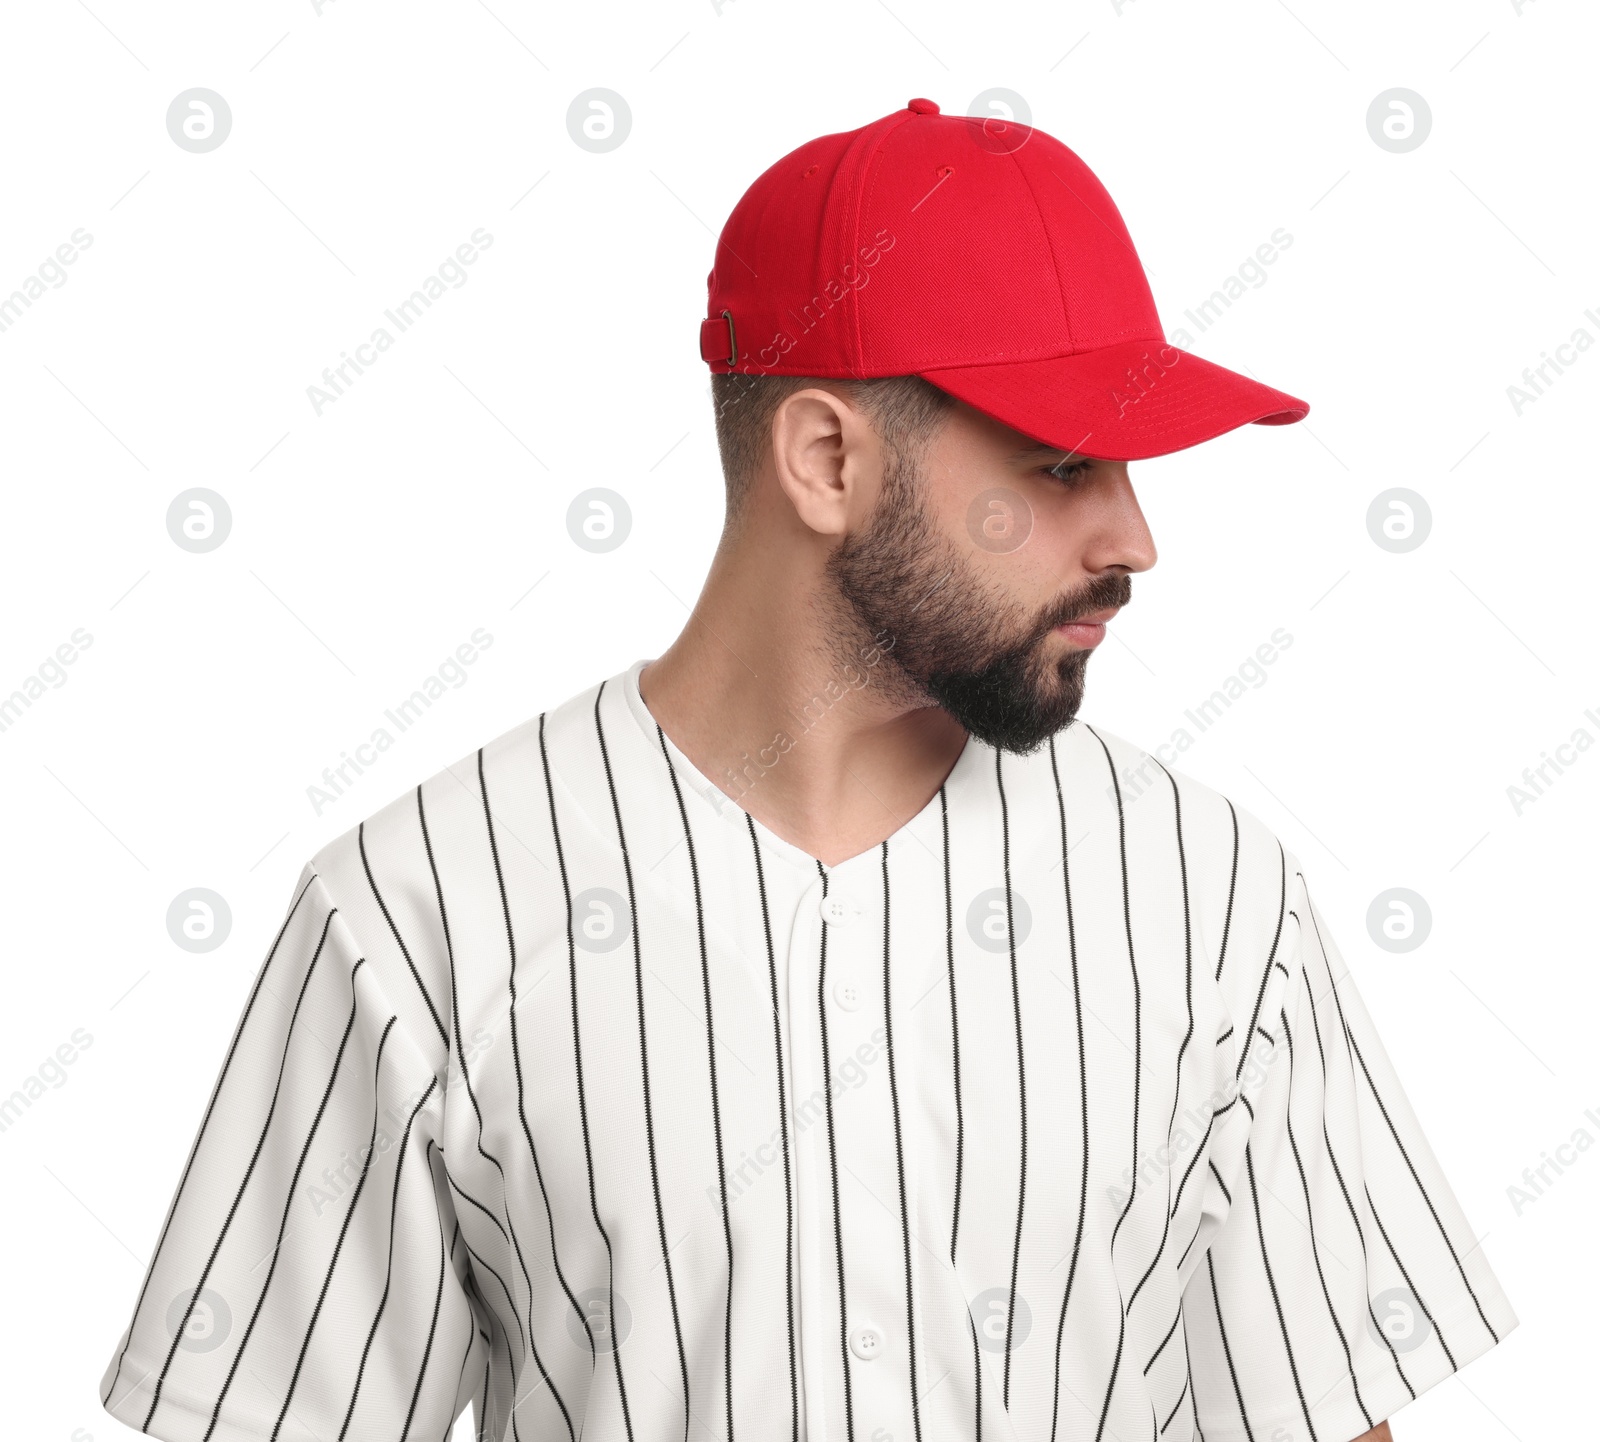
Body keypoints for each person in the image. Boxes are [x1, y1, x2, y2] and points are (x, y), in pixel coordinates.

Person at [100, 98, 1515, 1442]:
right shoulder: (421, 907)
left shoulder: (1217, 906)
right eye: (1066, 463)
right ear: (828, 458)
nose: (1136, 538)